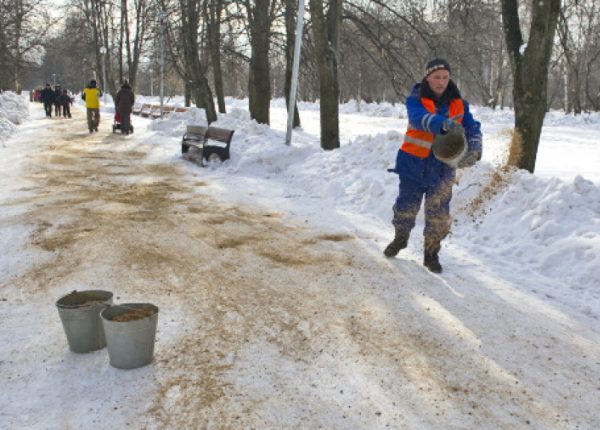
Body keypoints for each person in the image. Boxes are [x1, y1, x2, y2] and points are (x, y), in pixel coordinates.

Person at [384, 58, 482, 273]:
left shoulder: (458, 103)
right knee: (405, 207)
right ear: (427, 78)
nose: (441, 81)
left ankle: (431, 253)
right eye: (436, 77)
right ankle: (401, 237)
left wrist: (475, 146)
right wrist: (443, 124)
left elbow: (472, 127)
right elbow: (419, 118)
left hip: (443, 167)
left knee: (438, 212)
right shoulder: (415, 98)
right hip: (413, 164)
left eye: (445, 77)